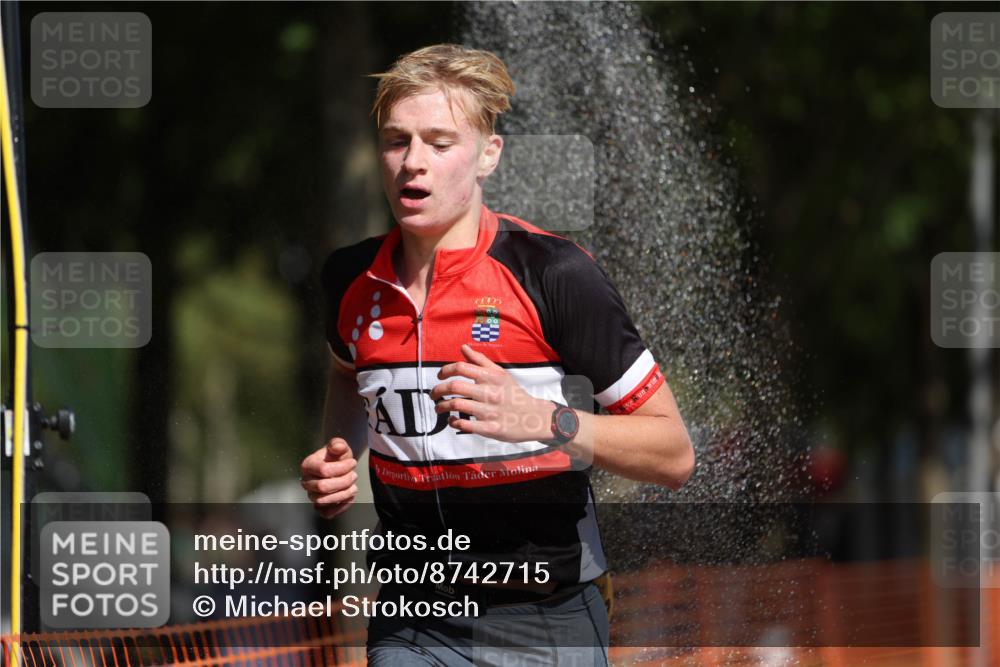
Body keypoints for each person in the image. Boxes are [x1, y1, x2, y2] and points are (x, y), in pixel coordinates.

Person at [300, 43, 694, 667]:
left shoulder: (554, 274)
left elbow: (673, 453)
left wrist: (548, 421)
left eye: (439, 141)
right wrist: (340, 452)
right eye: (397, 141)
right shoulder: (350, 279)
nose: (413, 164)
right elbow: (348, 374)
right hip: (413, 618)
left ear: (489, 155)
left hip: (545, 616)